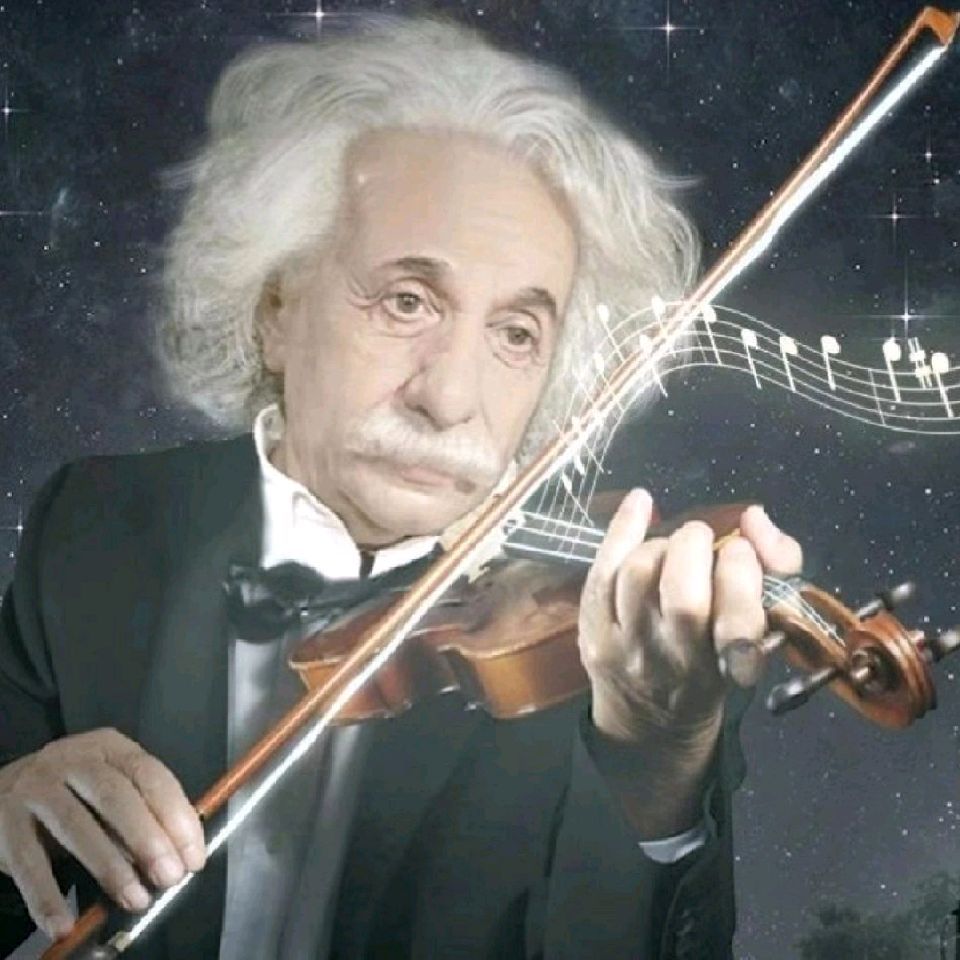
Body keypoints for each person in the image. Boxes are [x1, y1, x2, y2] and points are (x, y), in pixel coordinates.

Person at [0, 15, 802, 960]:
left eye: (516, 334)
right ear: (277, 310)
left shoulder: (630, 656)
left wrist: (656, 759)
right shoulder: (96, 522)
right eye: (407, 301)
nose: (451, 398)